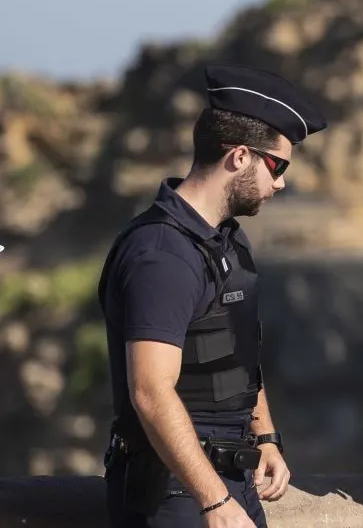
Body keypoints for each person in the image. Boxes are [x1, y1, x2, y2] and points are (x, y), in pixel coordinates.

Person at [98, 63, 329, 528]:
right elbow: (149, 391)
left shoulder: (228, 240)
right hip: (174, 491)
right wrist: (214, 502)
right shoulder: (162, 254)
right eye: (277, 165)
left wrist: (265, 438)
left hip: (231, 477)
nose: (281, 182)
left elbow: (237, 354)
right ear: (239, 157)